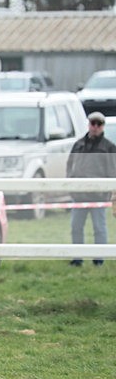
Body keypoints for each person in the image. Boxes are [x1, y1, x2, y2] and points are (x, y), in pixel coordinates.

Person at [66, 111, 116, 266]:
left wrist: (110, 191)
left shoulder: (109, 147)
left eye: (98, 124)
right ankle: (77, 258)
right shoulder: (79, 144)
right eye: (92, 123)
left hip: (98, 195)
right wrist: (70, 184)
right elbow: (70, 164)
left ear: (102, 126)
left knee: (99, 228)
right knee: (76, 227)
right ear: (88, 124)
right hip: (79, 195)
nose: (95, 127)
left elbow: (113, 170)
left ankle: (99, 259)